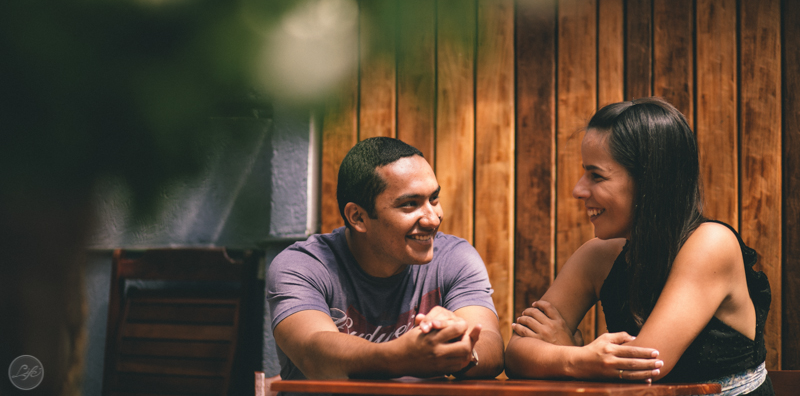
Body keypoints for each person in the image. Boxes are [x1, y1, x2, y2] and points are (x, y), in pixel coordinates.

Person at [505, 97, 773, 396]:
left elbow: (645, 365)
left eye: (596, 175)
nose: (578, 190)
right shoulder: (597, 256)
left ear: (649, 182)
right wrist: (579, 357)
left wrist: (562, 350)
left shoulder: (711, 244)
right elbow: (516, 353)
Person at [267, 137, 504, 381]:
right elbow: (314, 354)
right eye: (410, 205)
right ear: (358, 217)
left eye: (433, 199)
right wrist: (402, 356)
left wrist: (459, 348)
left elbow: (491, 347)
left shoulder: (455, 258)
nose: (433, 219)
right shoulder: (302, 265)